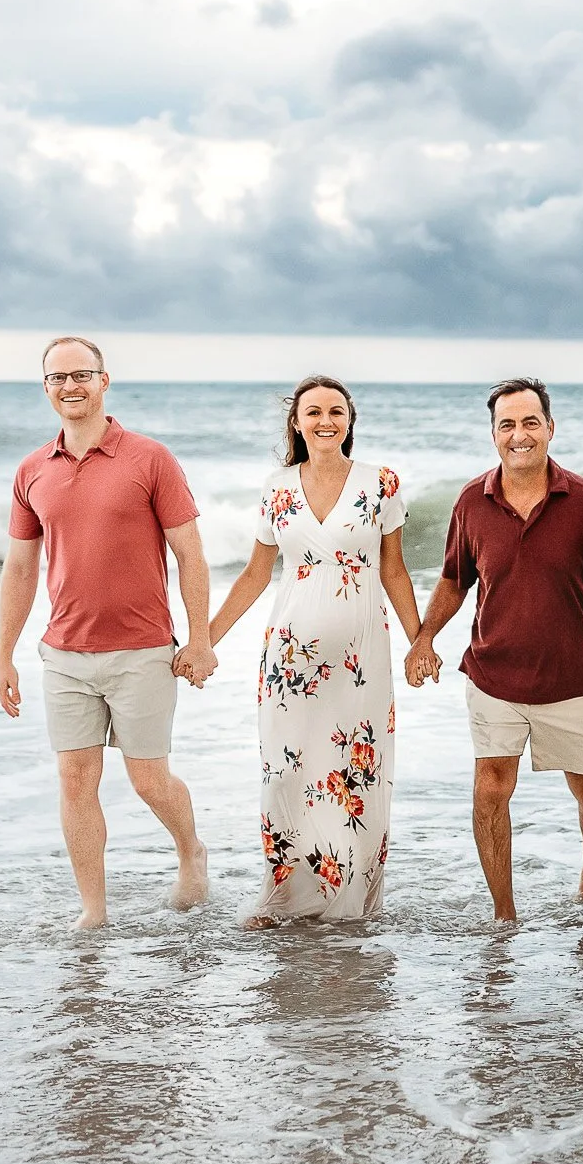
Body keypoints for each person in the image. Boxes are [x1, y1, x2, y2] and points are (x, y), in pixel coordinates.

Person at [0, 335, 213, 929]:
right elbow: (19, 567)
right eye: (58, 378)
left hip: (143, 651)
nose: (71, 386)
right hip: (64, 654)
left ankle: (190, 851)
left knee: (148, 780)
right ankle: (94, 910)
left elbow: (189, 553)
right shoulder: (32, 471)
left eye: (82, 375)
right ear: (46, 388)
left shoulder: (150, 458)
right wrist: (4, 655)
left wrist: (199, 639)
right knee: (74, 777)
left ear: (104, 380)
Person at [406, 378, 583, 921]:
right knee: (491, 788)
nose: (519, 435)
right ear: (494, 435)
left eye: (530, 422)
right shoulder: (472, 500)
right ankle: (504, 914)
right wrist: (424, 638)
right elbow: (453, 579)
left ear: (550, 429)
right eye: (507, 425)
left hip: (574, 676)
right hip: (493, 673)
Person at [203, 377, 422, 923]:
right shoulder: (276, 487)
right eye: (314, 412)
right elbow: (257, 573)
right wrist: (205, 639)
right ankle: (285, 897)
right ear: (297, 423)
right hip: (290, 655)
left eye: (336, 411)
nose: (326, 420)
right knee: (286, 769)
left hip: (361, 659)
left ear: (349, 421)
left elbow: (393, 568)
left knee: (354, 769)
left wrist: (422, 641)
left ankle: (351, 897)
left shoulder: (381, 483)